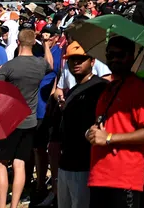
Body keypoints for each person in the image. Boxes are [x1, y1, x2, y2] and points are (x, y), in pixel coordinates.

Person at [87, 36, 144, 208]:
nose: (114, 59)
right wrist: (92, 132)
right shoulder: (108, 89)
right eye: (109, 55)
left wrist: (109, 138)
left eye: (119, 55)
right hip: (98, 174)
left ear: (131, 56)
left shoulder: (140, 89)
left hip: (123, 178)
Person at [0, 36, 51, 208]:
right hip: (30, 120)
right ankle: (15, 205)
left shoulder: (9, 66)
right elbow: (51, 64)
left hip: (9, 121)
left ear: (18, 42)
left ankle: (1, 205)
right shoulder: (40, 64)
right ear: (34, 43)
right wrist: (47, 46)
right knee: (20, 163)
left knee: (1, 163)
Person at [54, 43, 108, 208]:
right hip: (66, 163)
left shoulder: (101, 87)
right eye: (72, 60)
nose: (76, 63)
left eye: (81, 59)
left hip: (85, 165)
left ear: (92, 61)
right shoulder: (73, 90)